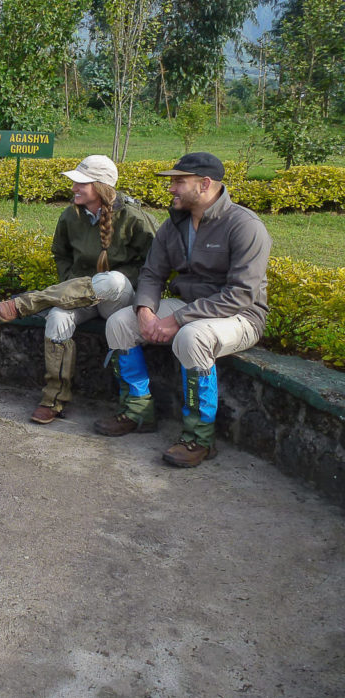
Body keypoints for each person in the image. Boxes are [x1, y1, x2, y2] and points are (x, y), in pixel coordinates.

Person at [93, 152, 272, 468]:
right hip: (190, 307)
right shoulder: (172, 225)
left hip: (239, 316)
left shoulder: (245, 226)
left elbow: (241, 294)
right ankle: (137, 412)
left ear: (204, 184)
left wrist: (177, 319)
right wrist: (146, 310)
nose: (171, 188)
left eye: (179, 181)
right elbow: (151, 273)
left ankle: (199, 438)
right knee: (121, 322)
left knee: (191, 337)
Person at [0, 155, 156, 424]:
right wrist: (71, 282)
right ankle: (53, 399)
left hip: (121, 299)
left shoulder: (133, 218)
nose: (73, 188)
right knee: (57, 318)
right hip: (81, 297)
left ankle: (29, 302)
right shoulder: (71, 215)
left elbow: (153, 266)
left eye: (81, 183)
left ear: (101, 186)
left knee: (112, 280)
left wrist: (126, 281)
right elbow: (61, 253)